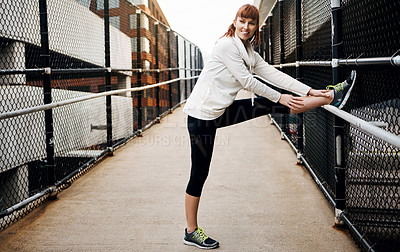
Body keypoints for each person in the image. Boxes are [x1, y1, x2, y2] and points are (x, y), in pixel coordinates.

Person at [182, 4, 356, 249]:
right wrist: (280, 97)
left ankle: (328, 96)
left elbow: (274, 75)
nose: (246, 27)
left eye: (251, 23)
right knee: (199, 174)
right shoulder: (226, 46)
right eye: (242, 21)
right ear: (234, 21)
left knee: (267, 103)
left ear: (256, 27)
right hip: (202, 118)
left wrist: (307, 90)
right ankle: (191, 231)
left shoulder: (248, 50)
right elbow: (247, 81)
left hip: (218, 112)